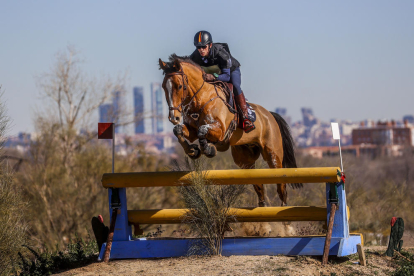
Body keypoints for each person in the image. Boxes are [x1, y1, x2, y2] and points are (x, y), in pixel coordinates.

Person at [190, 30, 255, 133]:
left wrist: (214, 77)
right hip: (214, 74)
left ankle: (245, 117)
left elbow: (226, 76)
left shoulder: (221, 53)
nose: (201, 50)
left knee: (236, 85)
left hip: (230, 71)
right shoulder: (195, 56)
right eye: (198, 47)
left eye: (204, 47)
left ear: (210, 45)